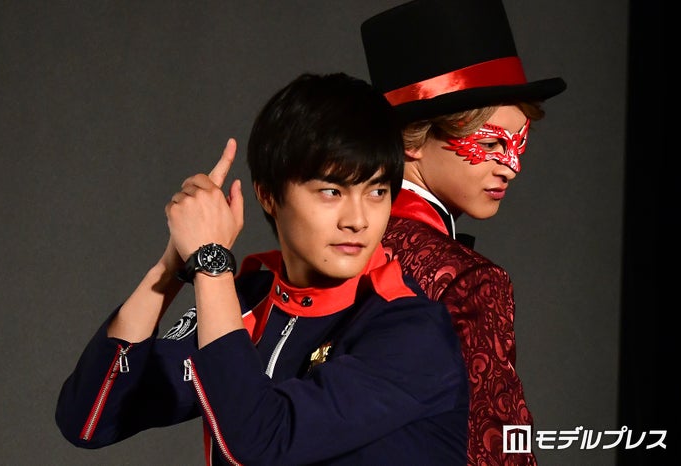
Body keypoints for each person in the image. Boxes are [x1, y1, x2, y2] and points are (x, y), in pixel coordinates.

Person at [55, 72, 469, 465]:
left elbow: (260, 443)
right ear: (268, 195)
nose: (357, 220)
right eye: (331, 191)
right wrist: (173, 265)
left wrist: (211, 263)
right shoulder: (249, 300)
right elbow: (89, 419)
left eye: (376, 192)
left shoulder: (413, 331)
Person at [361, 0, 567, 465]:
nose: (511, 167)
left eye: (519, 143)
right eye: (491, 143)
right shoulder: (467, 281)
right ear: (412, 138)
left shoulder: (333, 243)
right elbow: (500, 448)